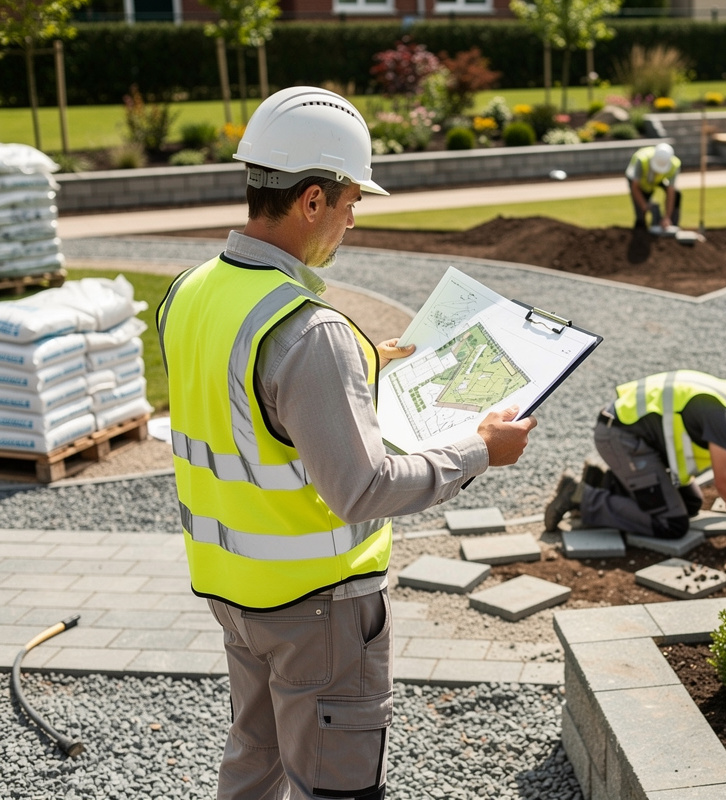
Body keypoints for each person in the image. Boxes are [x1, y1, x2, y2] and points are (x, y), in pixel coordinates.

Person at [155, 86, 535, 800]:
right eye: (351, 200)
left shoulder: (190, 292)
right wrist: (482, 447)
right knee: (335, 788)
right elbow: (360, 489)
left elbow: (245, 405)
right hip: (318, 609)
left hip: (233, 592)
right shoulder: (310, 332)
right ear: (309, 201)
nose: (354, 219)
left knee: (254, 763)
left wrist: (366, 363)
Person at [544, 370, 726, 540]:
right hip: (619, 438)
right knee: (672, 524)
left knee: (691, 503)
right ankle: (580, 496)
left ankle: (601, 481)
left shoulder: (723, 393)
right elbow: (723, 481)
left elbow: (723, 465)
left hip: (627, 433)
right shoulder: (721, 416)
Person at [626, 142, 682, 234]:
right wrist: (644, 206)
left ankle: (670, 224)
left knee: (677, 194)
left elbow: (671, 191)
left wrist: (667, 217)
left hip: (658, 180)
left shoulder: (674, 165)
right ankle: (641, 231)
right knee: (640, 213)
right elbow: (635, 187)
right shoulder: (642, 160)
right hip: (639, 180)